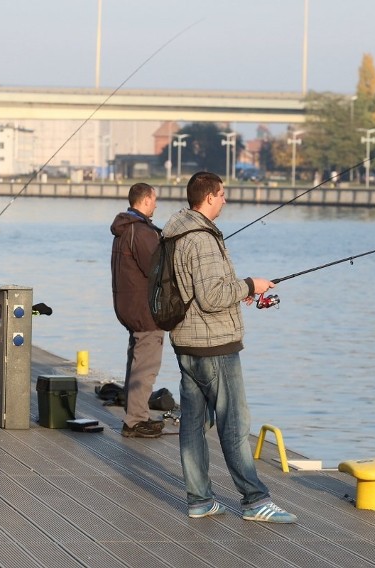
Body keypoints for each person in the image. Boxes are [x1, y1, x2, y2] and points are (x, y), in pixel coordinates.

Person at [162, 171, 297, 523]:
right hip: (213, 345)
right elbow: (212, 296)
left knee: (192, 423)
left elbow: (204, 289)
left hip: (185, 340)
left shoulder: (175, 231)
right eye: (222, 194)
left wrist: (241, 292)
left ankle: (200, 500)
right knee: (234, 422)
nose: (225, 199)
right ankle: (254, 500)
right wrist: (251, 285)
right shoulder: (202, 239)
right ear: (207, 198)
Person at [110, 183, 165, 438]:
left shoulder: (124, 227)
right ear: (145, 200)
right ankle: (135, 421)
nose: (156, 204)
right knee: (146, 362)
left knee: (137, 357)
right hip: (143, 308)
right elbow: (157, 271)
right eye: (154, 200)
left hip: (126, 305)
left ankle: (137, 414)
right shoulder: (141, 231)